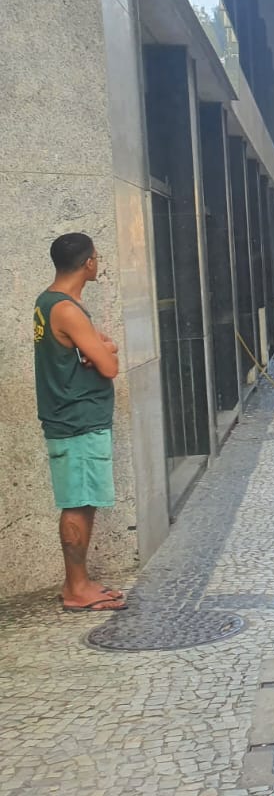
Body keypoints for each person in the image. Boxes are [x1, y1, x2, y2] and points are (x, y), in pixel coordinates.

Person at [34, 233, 125, 613]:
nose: (98, 263)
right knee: (77, 504)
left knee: (82, 502)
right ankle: (76, 588)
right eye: (96, 258)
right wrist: (101, 352)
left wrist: (99, 347)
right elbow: (110, 365)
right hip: (77, 420)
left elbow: (104, 345)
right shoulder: (68, 310)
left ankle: (79, 581)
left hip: (71, 417)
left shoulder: (50, 301)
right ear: (88, 263)